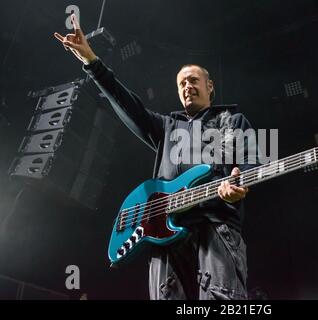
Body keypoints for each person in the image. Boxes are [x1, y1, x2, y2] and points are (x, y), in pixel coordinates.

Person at [54, 14, 258, 300]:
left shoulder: (233, 122)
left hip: (215, 227)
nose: (187, 86)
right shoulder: (167, 127)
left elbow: (254, 163)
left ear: (209, 86)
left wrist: (237, 185)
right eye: (182, 84)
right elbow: (128, 105)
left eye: (193, 80)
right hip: (165, 236)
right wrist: (92, 62)